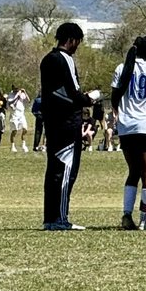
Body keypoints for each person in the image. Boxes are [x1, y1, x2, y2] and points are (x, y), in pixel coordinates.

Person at [40, 22, 101, 231]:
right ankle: (60, 218)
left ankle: (50, 218)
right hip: (67, 123)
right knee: (66, 170)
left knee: (53, 170)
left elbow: (55, 92)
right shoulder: (65, 59)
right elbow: (73, 93)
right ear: (72, 40)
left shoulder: (47, 59)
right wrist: (90, 98)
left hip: (52, 121)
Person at [111, 35, 146, 230]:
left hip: (126, 127)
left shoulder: (122, 68)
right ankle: (145, 220)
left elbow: (114, 97)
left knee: (133, 172)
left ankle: (126, 215)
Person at [7, 86, 31, 153]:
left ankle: (24, 145)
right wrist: (17, 96)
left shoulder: (21, 94)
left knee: (25, 128)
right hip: (14, 114)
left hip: (21, 114)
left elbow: (28, 101)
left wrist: (24, 92)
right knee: (14, 130)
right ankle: (13, 146)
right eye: (15, 89)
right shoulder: (10, 95)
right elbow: (11, 103)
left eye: (18, 89)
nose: (17, 90)